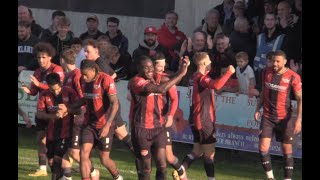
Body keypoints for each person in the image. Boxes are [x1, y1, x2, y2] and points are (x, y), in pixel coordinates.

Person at [128, 55, 189, 180]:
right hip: (142, 129)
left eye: (151, 67)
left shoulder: (156, 77)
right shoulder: (136, 81)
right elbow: (161, 89)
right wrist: (181, 74)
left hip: (158, 128)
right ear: (139, 69)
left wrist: (181, 69)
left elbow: (169, 79)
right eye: (146, 68)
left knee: (162, 164)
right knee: (146, 168)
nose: (150, 70)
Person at [65, 59, 123, 180]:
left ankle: (117, 177)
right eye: (82, 74)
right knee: (83, 153)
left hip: (105, 124)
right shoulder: (83, 81)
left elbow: (115, 103)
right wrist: (68, 107)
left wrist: (107, 125)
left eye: (86, 74)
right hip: (89, 124)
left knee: (104, 159)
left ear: (93, 70)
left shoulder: (106, 79)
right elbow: (85, 99)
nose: (84, 77)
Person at [181, 52, 235, 180]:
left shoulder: (193, 76)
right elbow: (216, 85)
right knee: (209, 153)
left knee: (197, 151)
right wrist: (229, 73)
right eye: (209, 60)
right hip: (203, 119)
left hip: (195, 118)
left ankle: (180, 170)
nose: (211, 62)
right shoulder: (201, 78)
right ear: (204, 63)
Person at [254, 50, 302, 180]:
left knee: (286, 150)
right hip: (268, 117)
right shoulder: (266, 72)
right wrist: (258, 108)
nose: (274, 64)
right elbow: (263, 91)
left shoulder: (293, 76)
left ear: (285, 62)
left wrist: (298, 120)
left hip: (284, 119)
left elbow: (300, 99)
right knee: (263, 148)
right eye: (273, 61)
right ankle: (270, 178)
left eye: (277, 61)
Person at [21, 42, 64, 177]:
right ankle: (42, 168)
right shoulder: (38, 72)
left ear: (50, 57)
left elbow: (56, 87)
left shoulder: (57, 69)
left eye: (44, 57)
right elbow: (35, 91)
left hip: (56, 108)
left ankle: (65, 167)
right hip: (43, 109)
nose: (41, 60)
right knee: (41, 138)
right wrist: (29, 90)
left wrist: (39, 84)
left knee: (56, 142)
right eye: (39, 58)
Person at [59, 48, 100, 180]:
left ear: (62, 60)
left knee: (74, 152)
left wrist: (76, 111)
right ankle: (67, 176)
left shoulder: (76, 75)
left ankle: (93, 172)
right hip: (71, 115)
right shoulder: (68, 75)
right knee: (66, 149)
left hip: (78, 116)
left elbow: (83, 96)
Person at [36, 72, 80, 180]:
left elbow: (78, 110)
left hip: (66, 132)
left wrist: (67, 110)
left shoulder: (69, 92)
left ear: (60, 83)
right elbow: (39, 114)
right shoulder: (44, 95)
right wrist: (53, 116)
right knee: (51, 161)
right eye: (52, 89)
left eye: (57, 89)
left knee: (57, 159)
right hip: (51, 133)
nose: (55, 92)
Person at [152, 52, 188, 180]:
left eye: (163, 66)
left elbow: (174, 99)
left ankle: (181, 172)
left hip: (161, 122)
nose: (162, 69)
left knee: (168, 156)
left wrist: (171, 115)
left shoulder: (166, 79)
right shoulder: (144, 78)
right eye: (159, 66)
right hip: (147, 123)